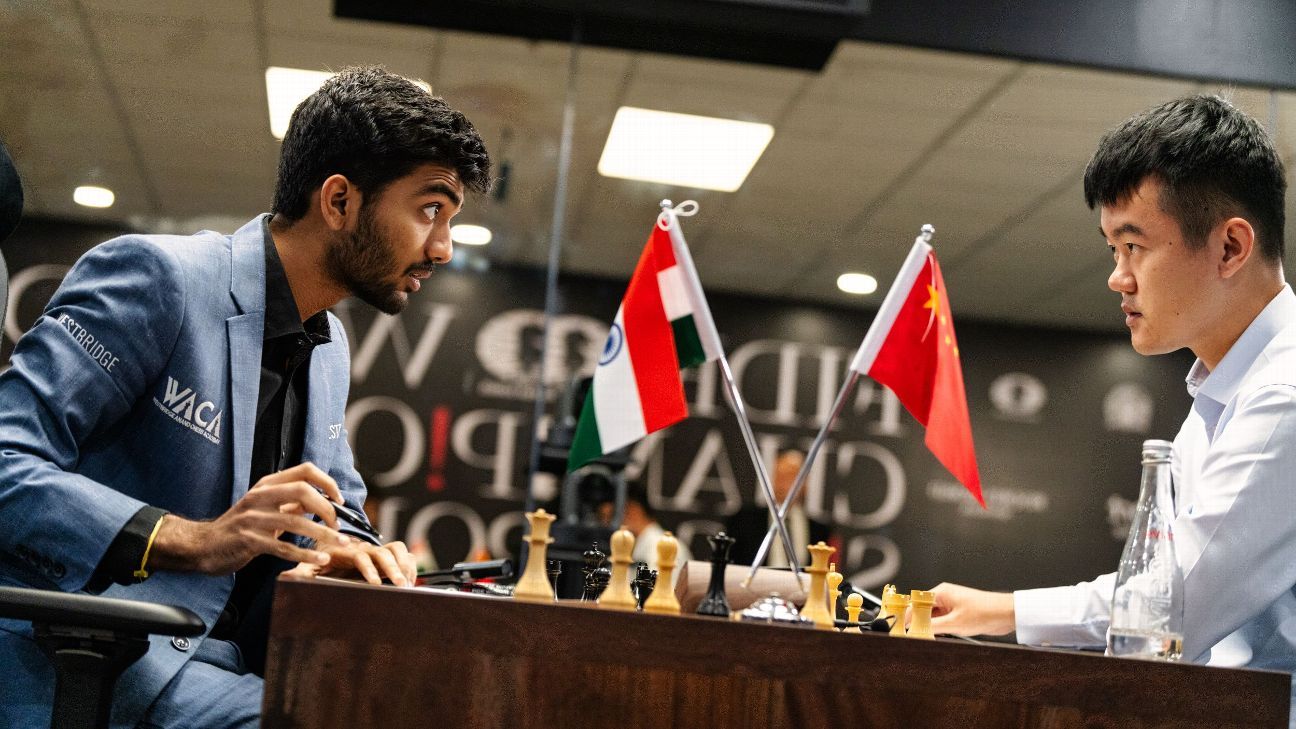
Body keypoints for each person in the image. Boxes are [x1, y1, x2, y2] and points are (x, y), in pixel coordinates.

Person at [0, 66, 491, 728]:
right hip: (97, 660)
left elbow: (339, 509)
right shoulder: (160, 278)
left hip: (236, 663)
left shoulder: (329, 349)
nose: (444, 247)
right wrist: (191, 539)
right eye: (430, 210)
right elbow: (7, 459)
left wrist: (350, 554)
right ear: (339, 201)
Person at [928, 95, 1296, 722]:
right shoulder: (1227, 388)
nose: (1118, 277)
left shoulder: (1282, 393)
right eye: (1113, 250)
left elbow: (1169, 611)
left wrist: (1006, 611)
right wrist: (1000, 610)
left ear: (1231, 247)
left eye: (1134, 246)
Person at [725, 450, 834, 568]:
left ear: (806, 483)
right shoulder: (744, 520)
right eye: (781, 475)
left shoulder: (819, 531)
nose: (785, 482)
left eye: (792, 476)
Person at [596, 482, 692, 578]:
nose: (605, 525)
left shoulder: (661, 546)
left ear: (632, 509)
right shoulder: (641, 545)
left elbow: (656, 587)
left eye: (609, 517)